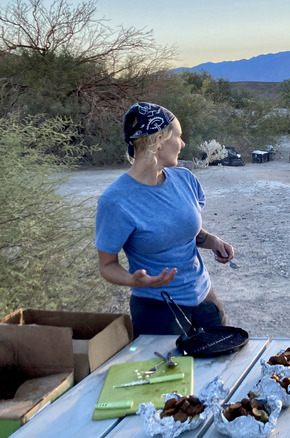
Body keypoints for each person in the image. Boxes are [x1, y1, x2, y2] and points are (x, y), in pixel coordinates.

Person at [95, 102, 234, 338]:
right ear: (159, 139)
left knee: (220, 366)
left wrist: (212, 241)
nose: (182, 144)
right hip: (157, 310)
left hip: (204, 297)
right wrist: (135, 281)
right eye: (178, 136)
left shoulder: (185, 179)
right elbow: (107, 265)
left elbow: (180, 231)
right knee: (170, 374)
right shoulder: (116, 200)